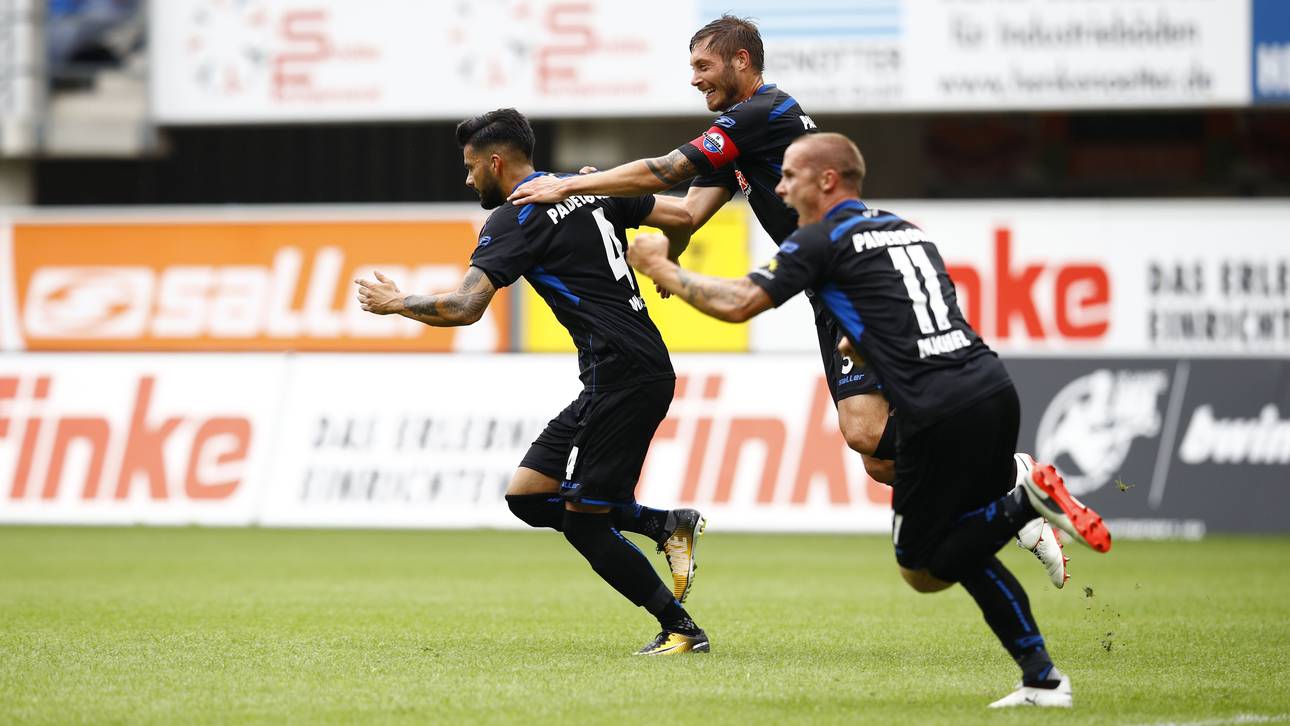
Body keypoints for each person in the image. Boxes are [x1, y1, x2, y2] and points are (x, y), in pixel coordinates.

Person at [508, 14, 1069, 588]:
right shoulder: (740, 136)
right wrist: (662, 254)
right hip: (832, 287)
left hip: (857, 276)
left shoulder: (762, 112)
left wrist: (571, 184)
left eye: (703, 65)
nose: (695, 78)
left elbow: (667, 170)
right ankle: (1010, 498)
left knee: (863, 432)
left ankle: (1009, 478)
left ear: (741, 60)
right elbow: (686, 212)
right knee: (880, 459)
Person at [625, 132, 1113, 705]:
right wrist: (864, 344)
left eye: (789, 176)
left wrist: (663, 268)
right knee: (964, 545)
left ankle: (1025, 501)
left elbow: (739, 303)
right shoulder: (907, 230)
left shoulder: (819, 239)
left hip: (936, 409)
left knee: (922, 567)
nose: (779, 189)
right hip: (992, 390)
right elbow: (920, 312)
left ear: (827, 180)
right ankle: (1042, 679)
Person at [355, 108, 708, 655]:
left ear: (496, 163)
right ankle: (663, 523)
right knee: (527, 496)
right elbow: (682, 216)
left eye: (470, 167)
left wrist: (397, 302)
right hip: (623, 372)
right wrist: (672, 265)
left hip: (622, 375)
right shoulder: (590, 187)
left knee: (585, 523)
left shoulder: (516, 216)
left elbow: (466, 306)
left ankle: (681, 629)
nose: (467, 179)